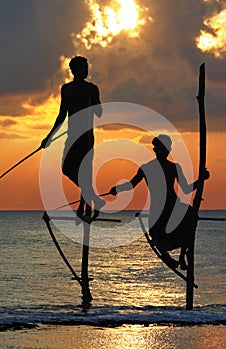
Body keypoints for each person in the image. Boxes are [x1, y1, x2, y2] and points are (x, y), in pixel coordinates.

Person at [109, 134, 210, 269]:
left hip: (174, 204)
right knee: (161, 231)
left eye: (166, 149)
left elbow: (186, 189)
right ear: (155, 150)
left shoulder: (174, 167)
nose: (164, 152)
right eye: (161, 149)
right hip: (159, 208)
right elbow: (132, 184)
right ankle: (165, 252)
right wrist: (117, 188)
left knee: (191, 216)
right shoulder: (147, 168)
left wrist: (201, 179)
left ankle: (181, 255)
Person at [41, 56, 105, 220]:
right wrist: (49, 137)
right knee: (67, 168)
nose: (86, 71)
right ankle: (93, 200)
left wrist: (92, 101)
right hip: (72, 136)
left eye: (86, 68)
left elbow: (99, 113)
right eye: (83, 68)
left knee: (85, 171)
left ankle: (85, 207)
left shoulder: (92, 89)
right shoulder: (66, 89)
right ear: (74, 70)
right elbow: (62, 115)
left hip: (86, 137)